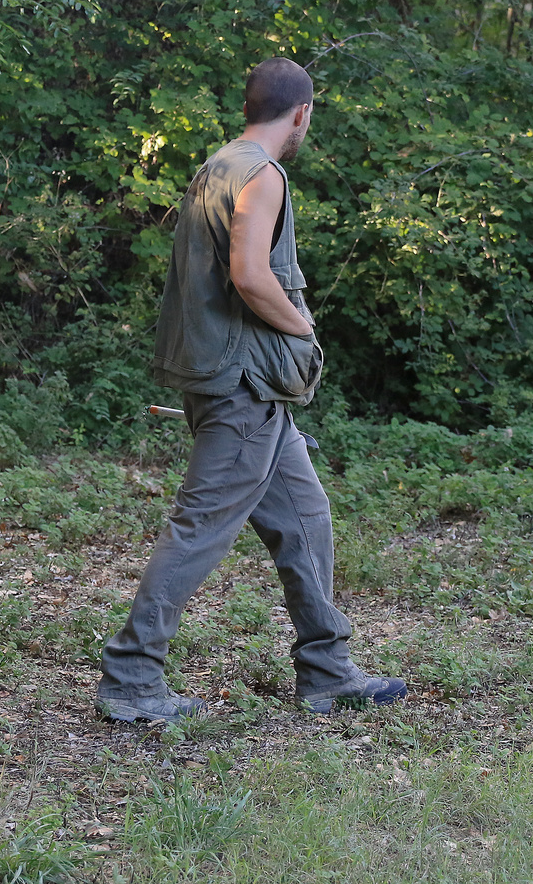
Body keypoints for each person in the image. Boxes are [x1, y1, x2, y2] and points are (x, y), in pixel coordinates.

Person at [96, 57, 408, 723]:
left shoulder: (219, 164)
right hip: (242, 384)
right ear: (300, 113)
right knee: (200, 528)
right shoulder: (262, 174)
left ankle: (327, 671)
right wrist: (303, 327)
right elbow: (249, 274)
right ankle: (130, 678)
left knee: (305, 517)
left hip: (239, 383)